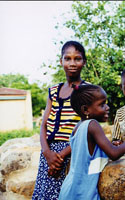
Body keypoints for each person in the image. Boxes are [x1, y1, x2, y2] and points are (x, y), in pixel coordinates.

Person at [59, 84, 125, 200]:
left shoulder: (78, 127)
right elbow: (114, 154)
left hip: (70, 188)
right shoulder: (92, 125)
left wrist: (113, 146)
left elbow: (90, 153)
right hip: (83, 192)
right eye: (102, 104)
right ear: (86, 110)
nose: (107, 107)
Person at [32, 41, 89, 199]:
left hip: (71, 151)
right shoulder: (54, 91)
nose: (72, 63)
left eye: (77, 59)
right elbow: (44, 125)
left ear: (83, 62)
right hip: (49, 152)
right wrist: (47, 153)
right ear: (61, 61)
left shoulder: (88, 91)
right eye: (67, 58)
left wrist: (61, 156)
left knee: (63, 193)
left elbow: (86, 128)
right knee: (43, 193)